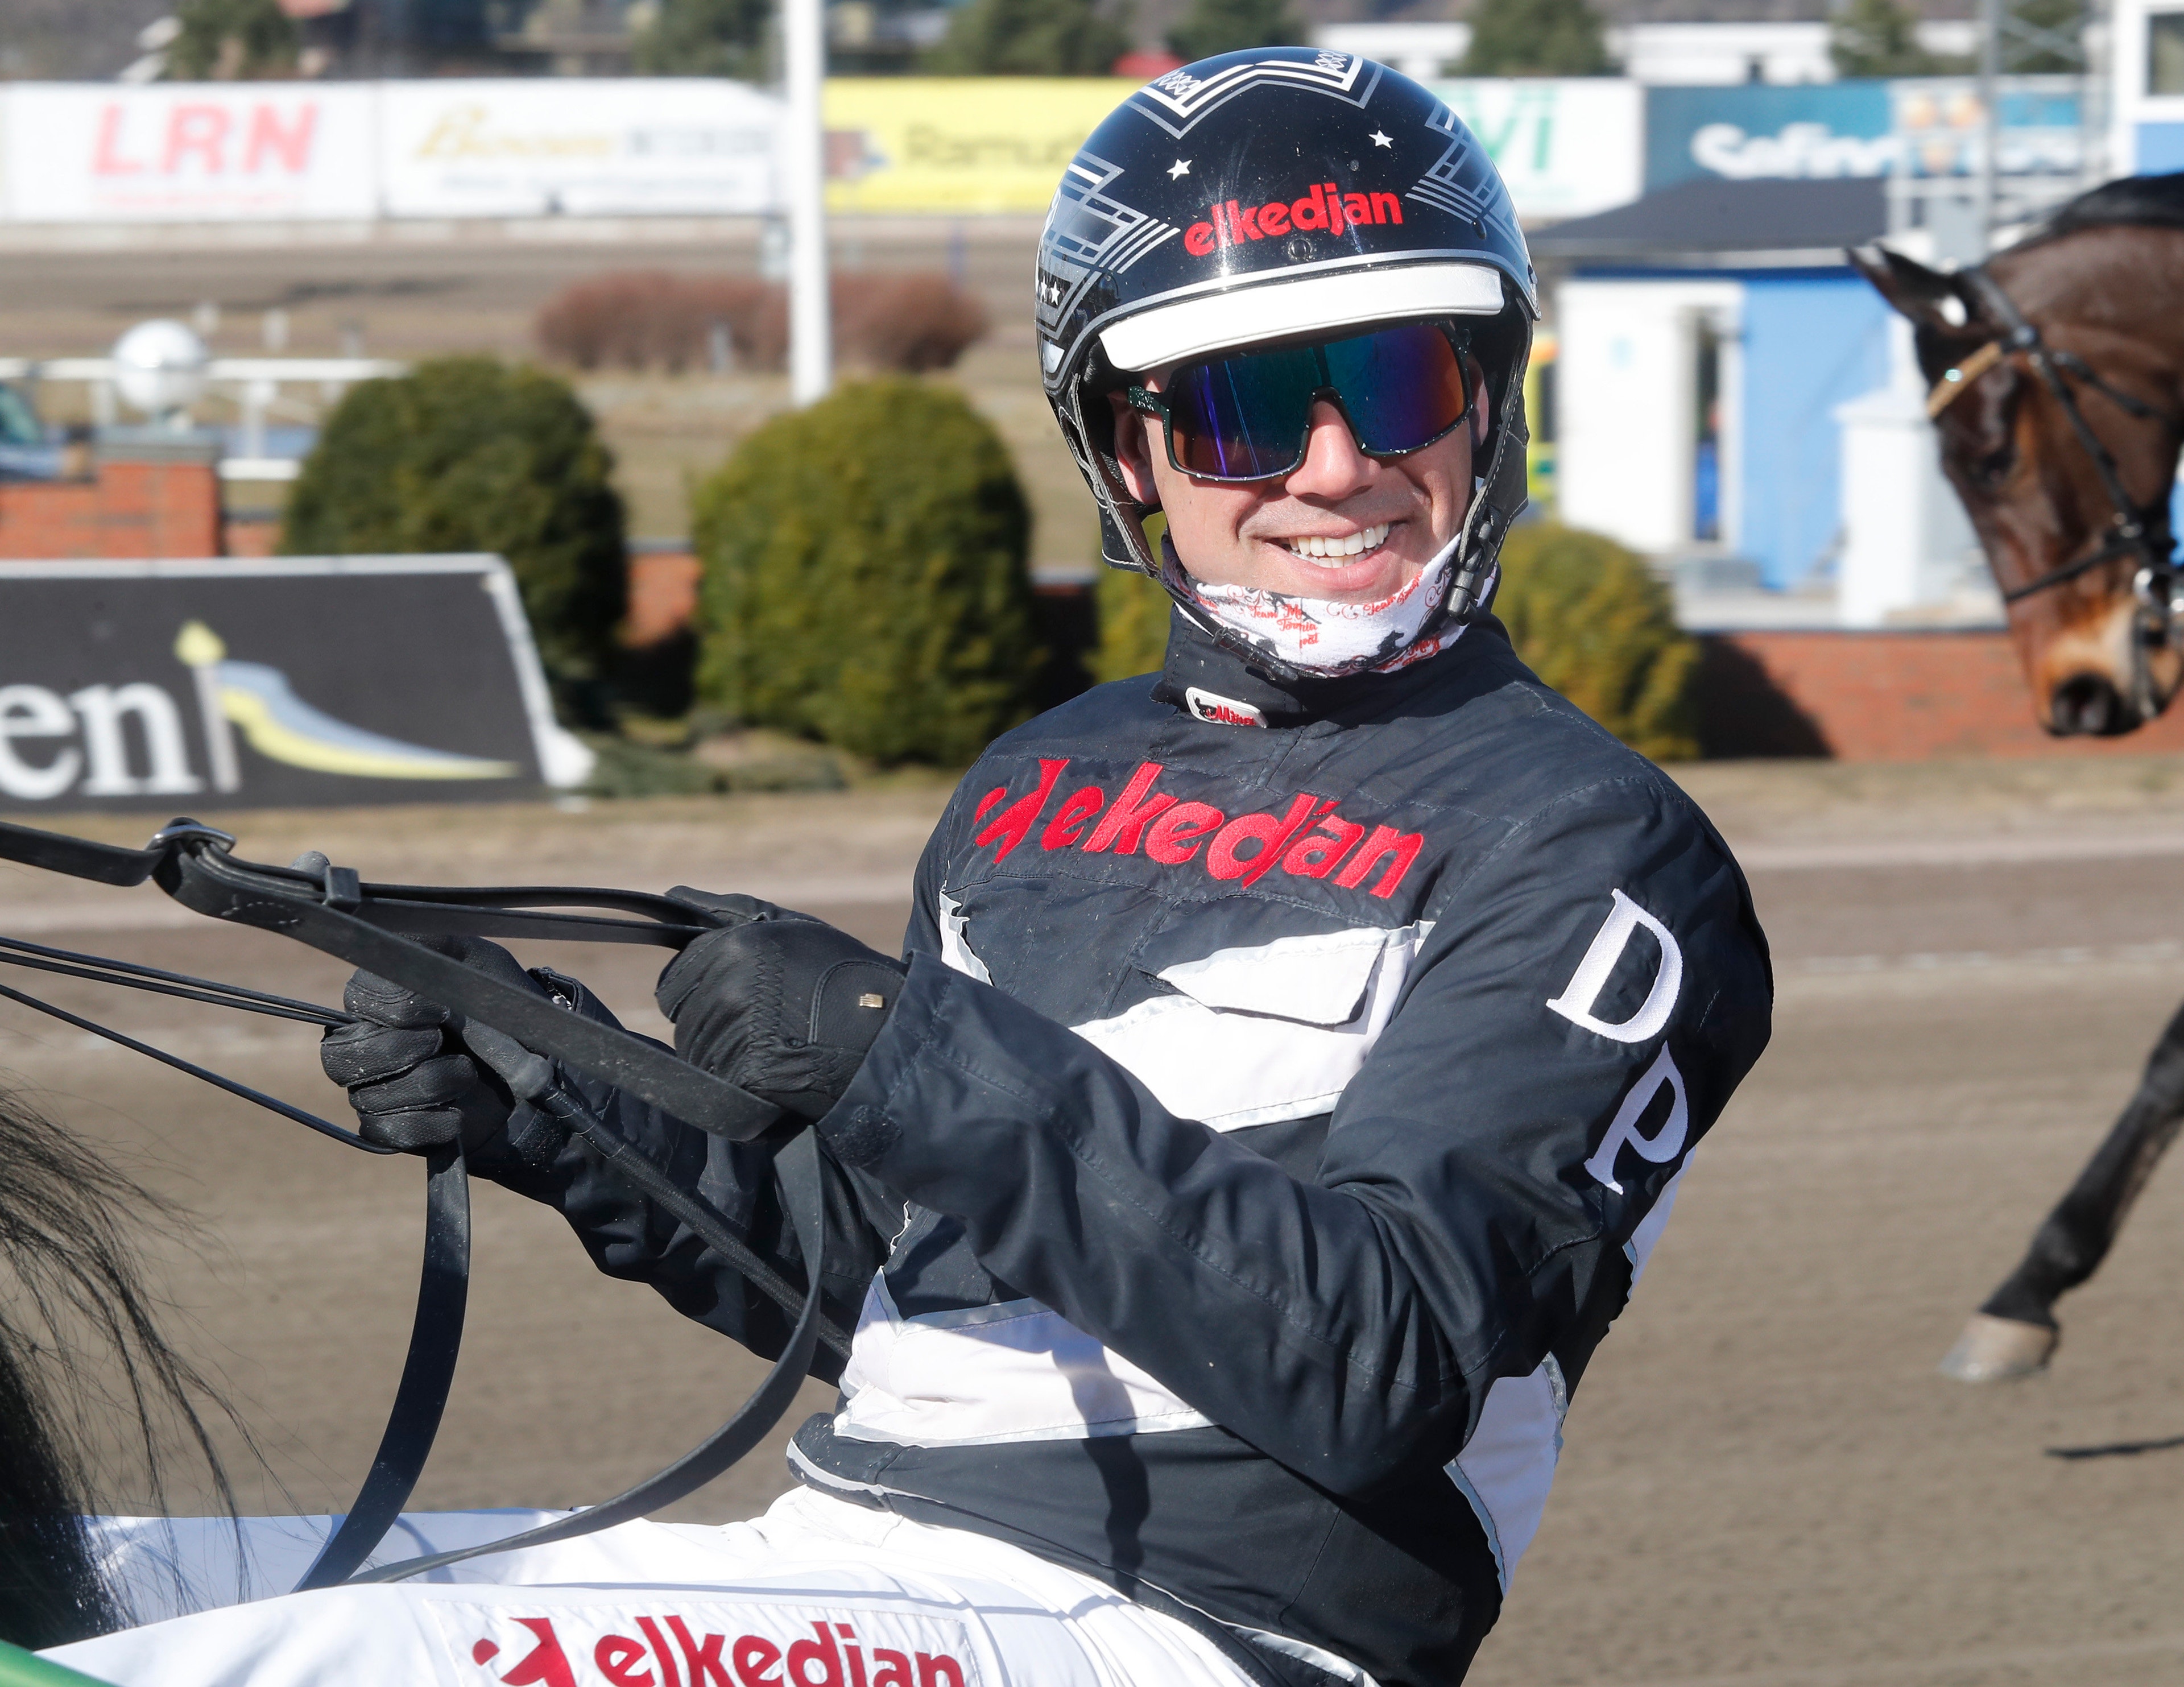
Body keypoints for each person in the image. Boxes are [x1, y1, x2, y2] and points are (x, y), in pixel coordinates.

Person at [56, 48, 1771, 1687]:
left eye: (1399, 383)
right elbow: (895, 1280)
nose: (1337, 468)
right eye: (1242, 409)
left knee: (290, 1669)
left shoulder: (1593, 846)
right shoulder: (1039, 782)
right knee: (77, 1581)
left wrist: (906, 1056)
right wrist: (560, 1103)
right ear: (1127, 452)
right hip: (864, 1557)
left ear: (1490, 398)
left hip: (1198, 1634)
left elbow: (1384, 1363)